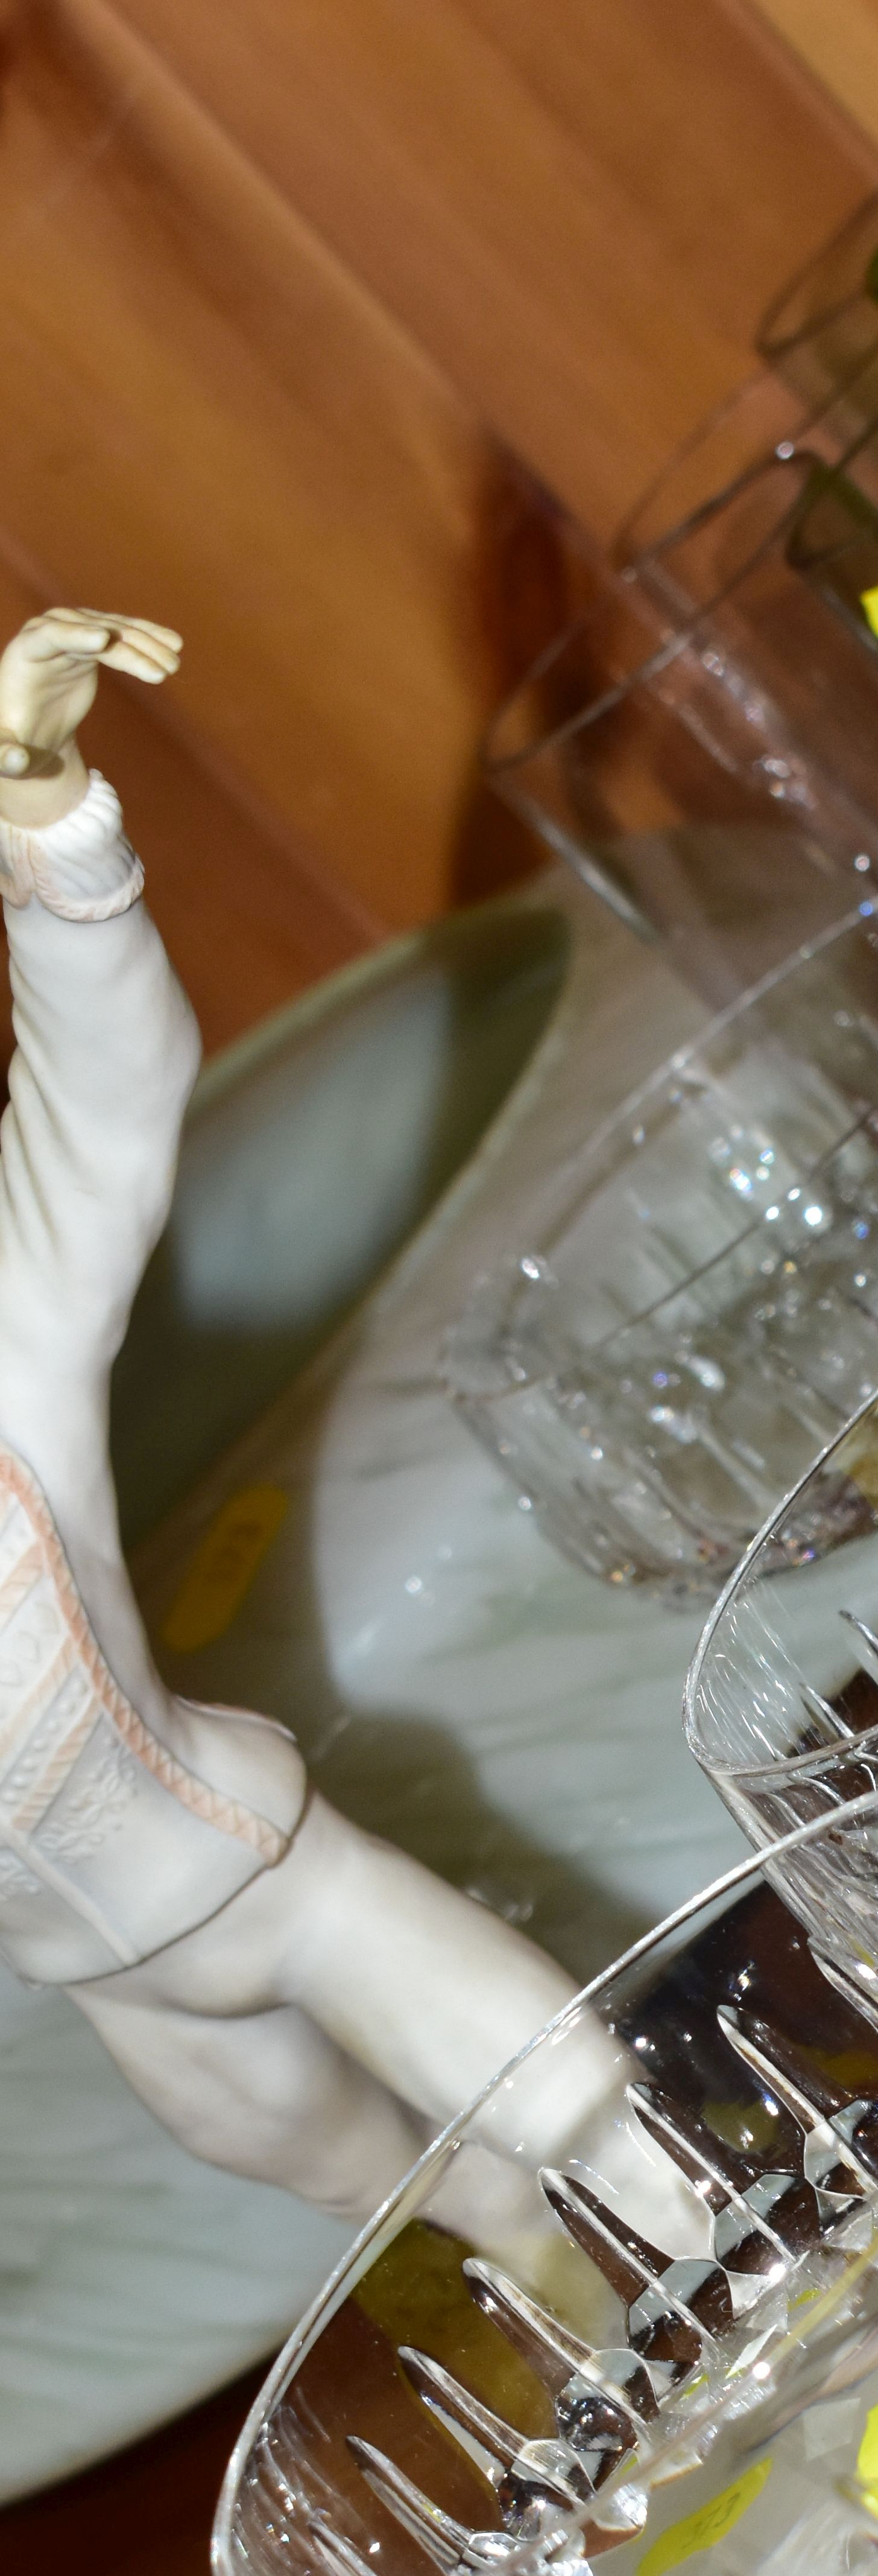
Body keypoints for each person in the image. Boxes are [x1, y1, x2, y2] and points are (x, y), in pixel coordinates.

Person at [0, 606, 582, 2220]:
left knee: (569, 2105)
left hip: (267, 1881)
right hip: (120, 2001)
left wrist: (47, 812)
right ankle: (593, 2339)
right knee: (402, 2200)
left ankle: (741, 2256)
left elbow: (109, 1109)